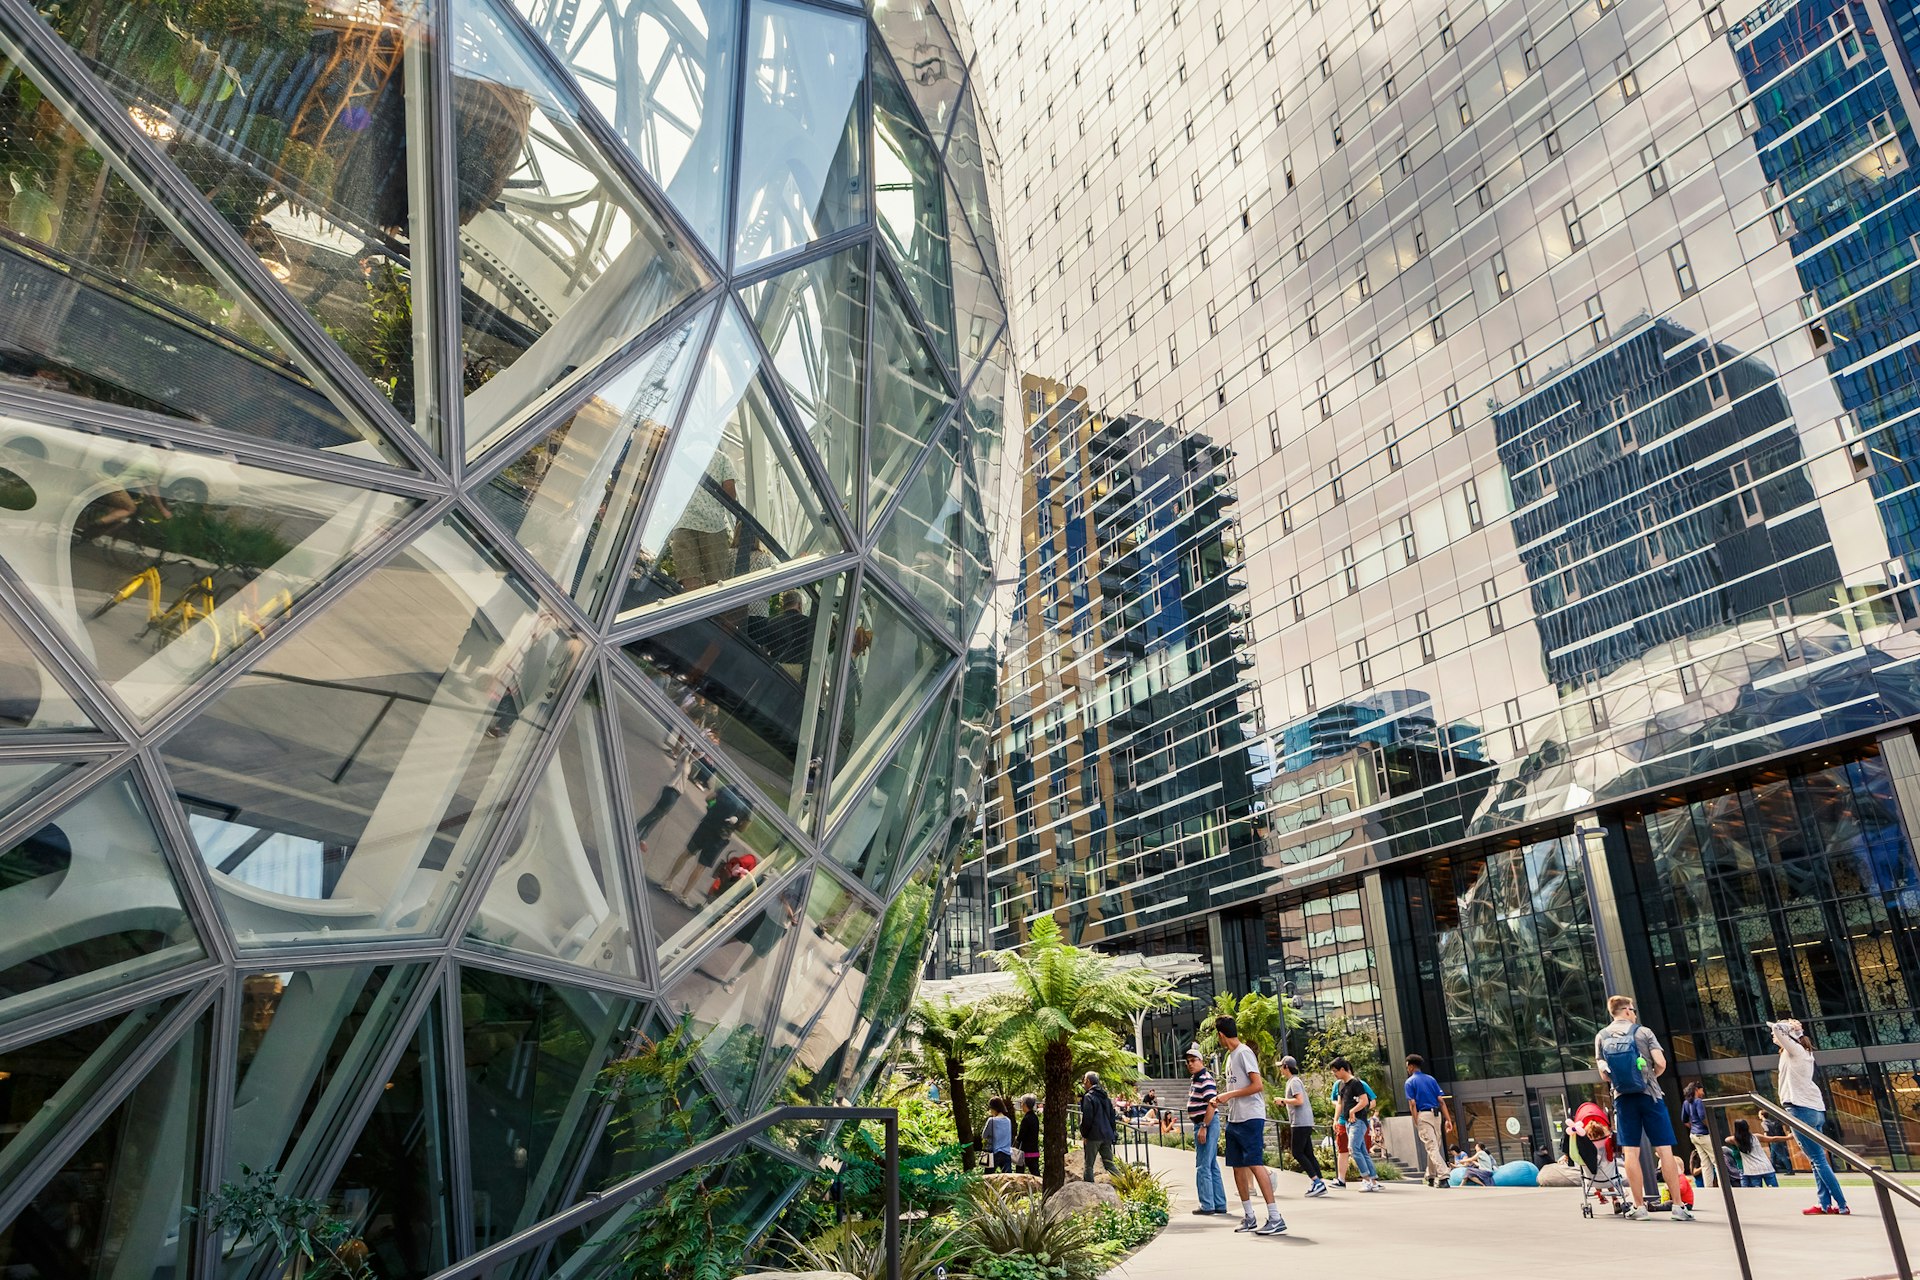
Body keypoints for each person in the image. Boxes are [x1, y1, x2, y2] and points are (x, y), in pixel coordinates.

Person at [1594, 993, 1695, 1221]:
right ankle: (1678, 1206)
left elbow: (1603, 1073)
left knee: (1631, 1151)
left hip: (1623, 1097)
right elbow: (1660, 1063)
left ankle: (1639, 1207)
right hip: (1650, 1096)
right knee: (1664, 1149)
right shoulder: (1643, 1032)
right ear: (1628, 1010)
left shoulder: (1601, 1036)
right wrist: (1650, 1077)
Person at [1213, 1015, 1286, 1235]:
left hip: (1251, 1117)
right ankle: (1249, 1216)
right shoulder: (1229, 1057)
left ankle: (1275, 1217)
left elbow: (1258, 1085)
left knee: (1254, 1162)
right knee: (1237, 1166)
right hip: (1235, 1117)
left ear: (1221, 1035)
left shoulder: (1244, 1053)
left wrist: (1228, 1094)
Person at [1770, 1018, 1849, 1215]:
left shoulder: (1795, 1050)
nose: (1772, 1034)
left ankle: (1841, 1205)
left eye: (1774, 1033)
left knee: (1818, 1160)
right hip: (1813, 1109)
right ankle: (1824, 1204)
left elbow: (1779, 1030)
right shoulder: (1801, 1052)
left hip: (1800, 1109)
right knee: (1816, 1160)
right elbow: (1779, 1033)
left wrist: (1792, 1027)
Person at [1183, 1043, 1228, 1215]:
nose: (1190, 1064)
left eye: (1193, 1060)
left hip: (1205, 1123)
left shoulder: (1205, 1079)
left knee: (1203, 1166)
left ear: (1201, 1061)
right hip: (1205, 1123)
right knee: (1211, 1165)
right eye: (1187, 1061)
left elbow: (1212, 1103)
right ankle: (1219, 1203)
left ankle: (1207, 1204)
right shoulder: (1196, 1079)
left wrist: (1203, 1126)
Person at [1280, 1055, 1328, 1196]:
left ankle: (1317, 1182)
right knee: (1308, 1153)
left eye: (1281, 1067)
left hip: (1300, 1122)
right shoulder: (1294, 1081)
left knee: (1297, 1152)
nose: (1280, 1070)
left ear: (1286, 1067)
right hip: (1304, 1121)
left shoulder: (1294, 1082)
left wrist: (1283, 1100)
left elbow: (1299, 1100)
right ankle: (1319, 1182)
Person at [1331, 1058, 1381, 1192]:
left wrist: (1353, 1111)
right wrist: (1336, 1119)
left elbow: (1365, 1101)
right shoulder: (1341, 1085)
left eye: (1335, 1071)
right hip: (1347, 1122)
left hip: (1358, 1121)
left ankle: (1365, 1179)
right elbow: (1340, 1104)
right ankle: (1374, 1181)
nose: (1334, 1074)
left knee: (1353, 1148)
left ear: (1343, 1069)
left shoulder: (1356, 1083)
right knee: (1362, 1151)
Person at [1404, 1053, 1453, 1187]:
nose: (1407, 1069)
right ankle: (1430, 1176)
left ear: (1411, 1066)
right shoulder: (1431, 1079)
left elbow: (1412, 1103)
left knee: (1432, 1147)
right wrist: (1448, 1120)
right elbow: (1441, 1100)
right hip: (1437, 1116)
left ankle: (1443, 1176)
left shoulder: (1409, 1082)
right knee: (1434, 1147)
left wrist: (1415, 1119)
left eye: (1407, 1066)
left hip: (1423, 1115)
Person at [1078, 1071, 1121, 1182]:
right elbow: (1112, 1117)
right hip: (1107, 1135)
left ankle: (1089, 1191)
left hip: (1093, 1135)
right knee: (1109, 1164)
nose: (1083, 1084)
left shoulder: (1089, 1097)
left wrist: (1084, 1134)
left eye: (1084, 1081)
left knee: (1089, 1165)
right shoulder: (1105, 1097)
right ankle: (1125, 1185)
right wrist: (1112, 1132)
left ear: (1088, 1081)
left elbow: (1087, 1118)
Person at [1723, 1118, 1779, 1188]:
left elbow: (1727, 1139)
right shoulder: (1756, 1137)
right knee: (1774, 1189)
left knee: (1756, 1192)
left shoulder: (1736, 1140)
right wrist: (1788, 1137)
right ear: (1747, 1127)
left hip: (1752, 1170)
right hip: (1766, 1167)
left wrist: (1738, 1136)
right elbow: (1773, 1139)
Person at [1681, 1082, 1716, 1187]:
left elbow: (1684, 1120)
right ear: (1696, 1089)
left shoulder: (1686, 1103)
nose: (1703, 1092)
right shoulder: (1699, 1101)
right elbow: (1703, 1117)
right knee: (1717, 1161)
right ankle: (1724, 1186)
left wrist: (1693, 1128)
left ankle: (1709, 1188)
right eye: (1701, 1090)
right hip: (1704, 1134)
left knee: (1705, 1164)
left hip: (1694, 1135)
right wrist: (1712, 1129)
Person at [982, 1097, 1015, 1172]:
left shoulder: (991, 1120)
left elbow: (984, 1135)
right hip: (1007, 1153)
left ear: (994, 1108)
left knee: (988, 1179)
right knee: (1007, 1179)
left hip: (994, 1154)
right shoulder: (1008, 1120)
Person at [1018, 1094, 1041, 1176]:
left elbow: (1021, 1136)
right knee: (1035, 1173)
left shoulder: (1026, 1119)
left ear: (1024, 1104)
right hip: (1034, 1150)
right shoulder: (1035, 1118)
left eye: (1021, 1103)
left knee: (1019, 1174)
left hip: (1025, 1152)